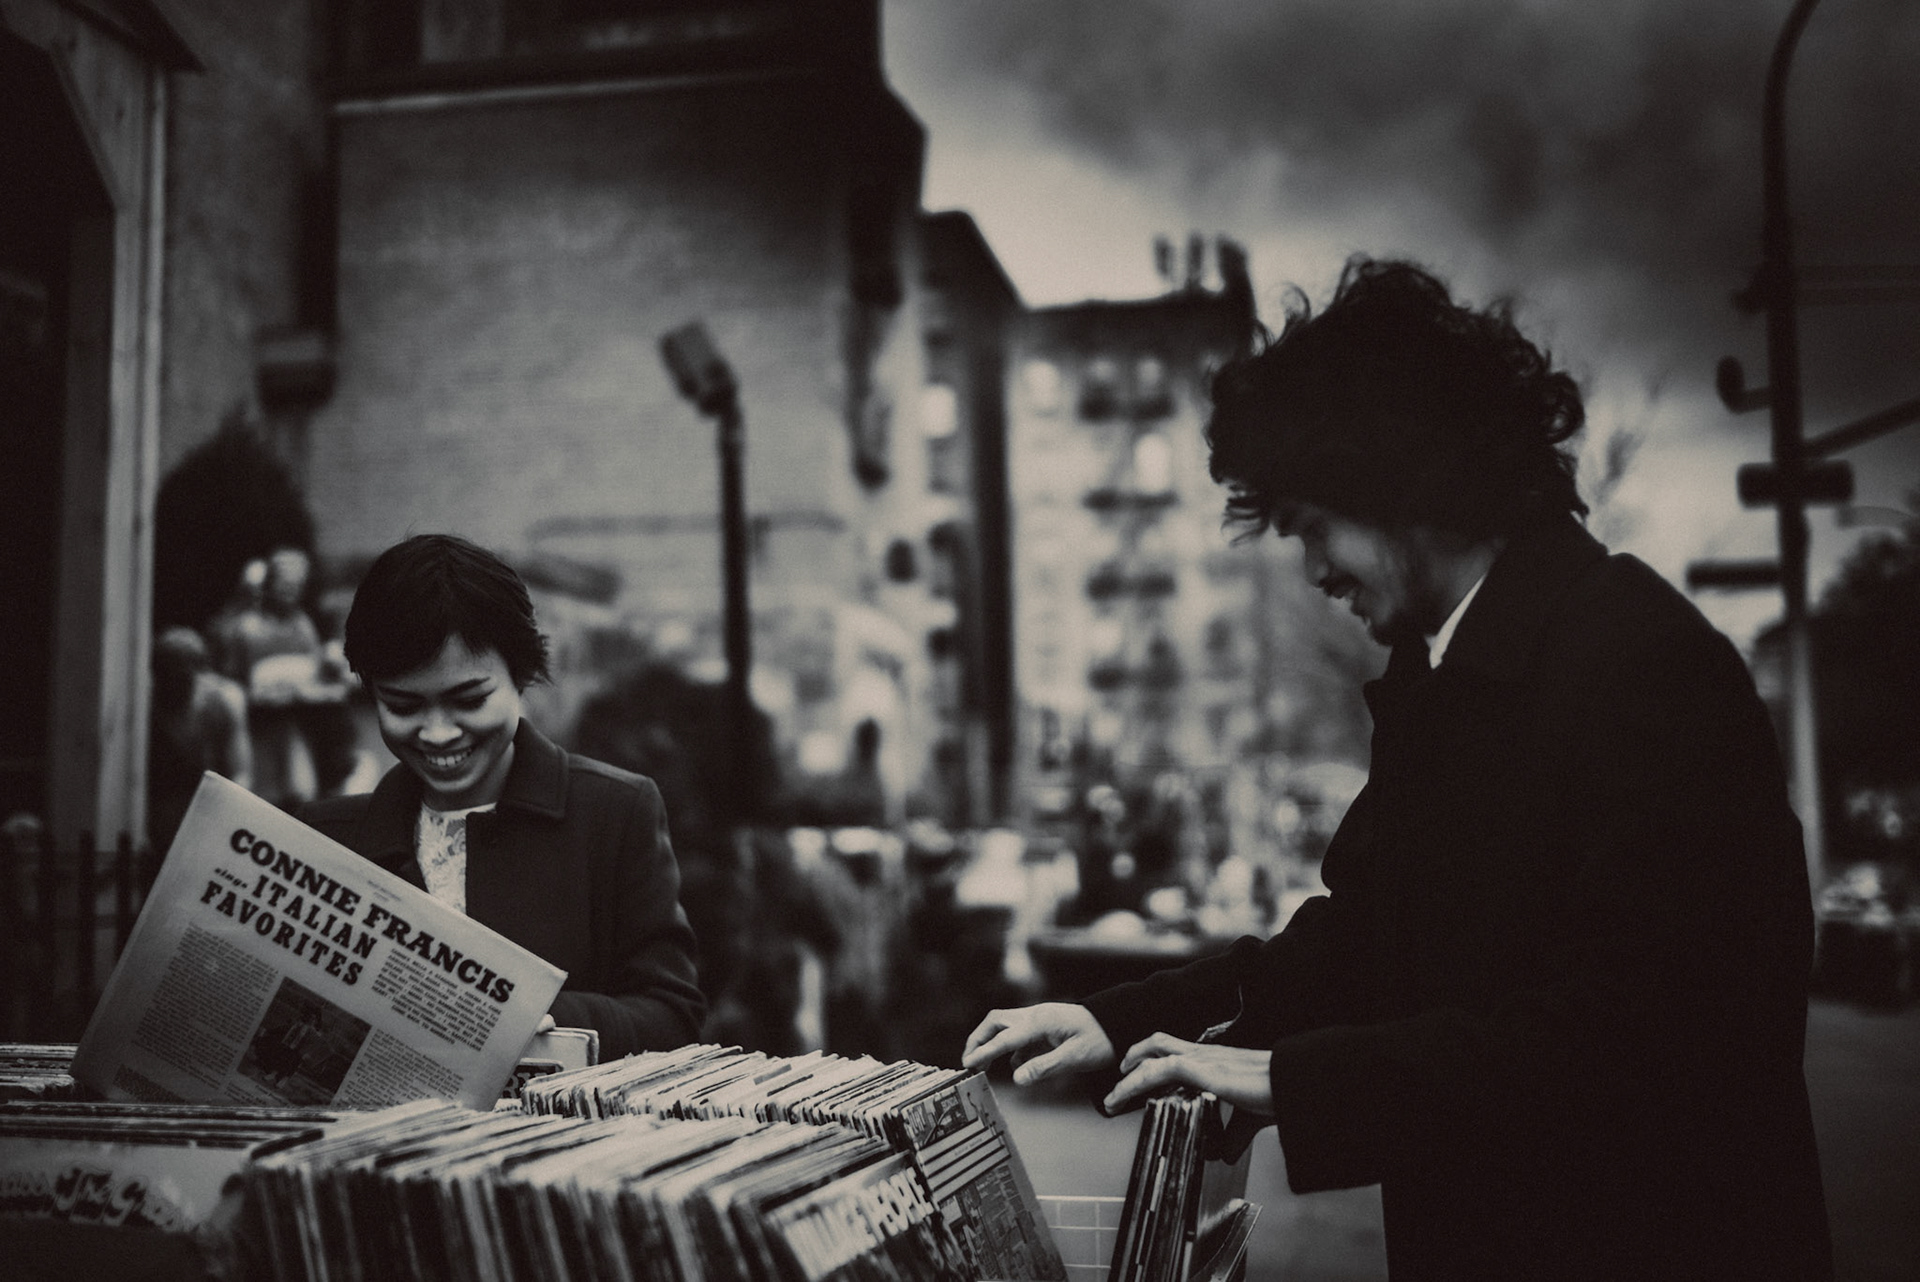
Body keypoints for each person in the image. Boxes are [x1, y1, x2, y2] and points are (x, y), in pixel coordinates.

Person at [964, 258, 1831, 1279]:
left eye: (1316, 526)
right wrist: (1118, 1021)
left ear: (1403, 482)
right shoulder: (1451, 672)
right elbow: (1365, 941)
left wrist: (1295, 1082)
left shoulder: (1645, 662)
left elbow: (1657, 1038)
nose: (1313, 570)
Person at [301, 534, 705, 1058]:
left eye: (469, 700)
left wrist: (544, 1019)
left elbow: (672, 1016)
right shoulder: (323, 838)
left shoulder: (615, 812)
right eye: (402, 706)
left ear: (522, 675)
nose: (438, 733)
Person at [148, 626, 254, 853]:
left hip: (209, 801)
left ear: (199, 671)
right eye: (168, 674)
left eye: (183, 674)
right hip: (162, 804)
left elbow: (240, 773)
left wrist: (229, 821)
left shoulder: (224, 699)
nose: (175, 682)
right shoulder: (145, 701)